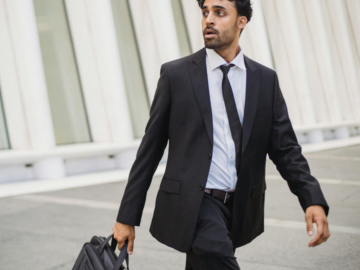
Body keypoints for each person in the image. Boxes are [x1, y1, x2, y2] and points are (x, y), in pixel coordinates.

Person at [112, 0, 331, 268]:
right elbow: (150, 149)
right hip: (193, 205)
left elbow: (285, 149)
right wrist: (126, 216)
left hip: (239, 208)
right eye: (205, 13)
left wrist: (312, 200)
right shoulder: (176, 75)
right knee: (219, 260)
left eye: (219, 12)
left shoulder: (264, 80)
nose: (208, 20)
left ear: (242, 21)